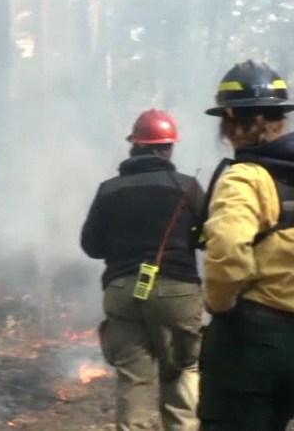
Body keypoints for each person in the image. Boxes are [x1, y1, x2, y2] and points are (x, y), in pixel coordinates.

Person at [197, 60, 294, 431]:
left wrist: (219, 303)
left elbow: (228, 250)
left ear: (231, 124)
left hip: (246, 346)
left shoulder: (244, 179)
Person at [81, 108, 204, 431]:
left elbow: (91, 246)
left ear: (133, 145)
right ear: (168, 148)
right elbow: (209, 238)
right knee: (180, 372)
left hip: (123, 291)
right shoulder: (188, 187)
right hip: (176, 292)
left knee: (133, 380)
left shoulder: (109, 190)